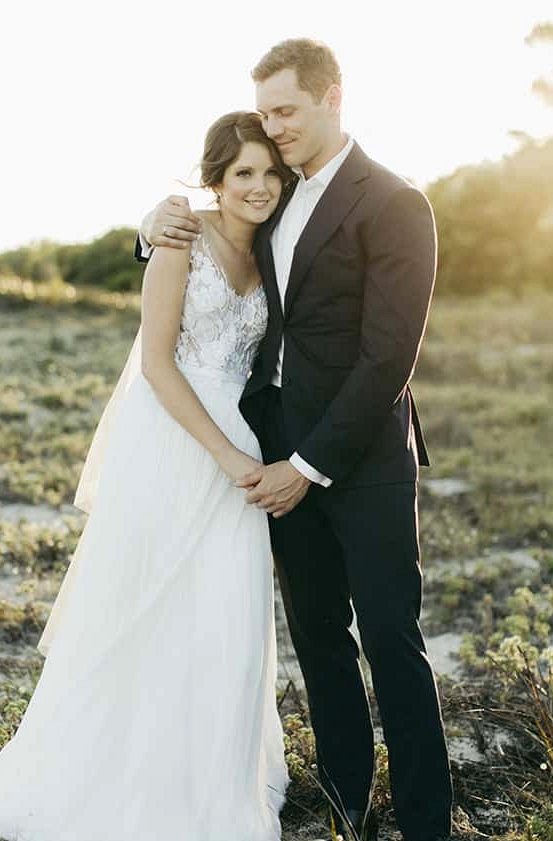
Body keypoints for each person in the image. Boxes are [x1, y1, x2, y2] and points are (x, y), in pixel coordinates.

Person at [138, 38, 453, 841]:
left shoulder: (393, 202)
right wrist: (149, 228)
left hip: (360, 460)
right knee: (318, 636)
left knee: (390, 638)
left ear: (332, 97)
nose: (271, 128)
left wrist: (307, 468)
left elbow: (390, 354)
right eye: (265, 112)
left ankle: (425, 820)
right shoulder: (276, 194)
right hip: (274, 446)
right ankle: (350, 800)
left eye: (285, 111)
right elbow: (219, 243)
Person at [0, 110, 294, 841]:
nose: (260, 186)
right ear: (215, 178)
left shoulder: (276, 241)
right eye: (243, 172)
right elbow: (155, 365)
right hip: (175, 442)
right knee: (148, 607)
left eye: (270, 171)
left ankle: (213, 776)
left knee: (227, 614)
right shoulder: (179, 237)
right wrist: (228, 455)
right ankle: (123, 782)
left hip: (239, 433)